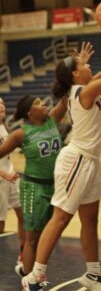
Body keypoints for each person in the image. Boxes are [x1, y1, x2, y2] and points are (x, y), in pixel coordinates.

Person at [22, 16, 101, 291]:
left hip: (89, 161)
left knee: (90, 218)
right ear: (75, 76)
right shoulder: (83, 91)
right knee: (60, 218)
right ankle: (34, 276)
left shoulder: (85, 86)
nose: (88, 65)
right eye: (83, 65)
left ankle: (93, 274)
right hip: (76, 160)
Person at [0, 94, 67, 277]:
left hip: (54, 188)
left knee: (47, 236)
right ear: (30, 112)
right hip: (33, 189)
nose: (43, 104)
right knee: (32, 240)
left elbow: (67, 98)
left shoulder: (52, 120)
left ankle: (28, 272)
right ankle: (29, 281)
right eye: (38, 103)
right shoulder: (21, 133)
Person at [0, 97, 25, 263]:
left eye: (2, 103)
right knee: (0, 225)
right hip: (2, 178)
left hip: (11, 176)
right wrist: (4, 174)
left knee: (23, 215)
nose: (1, 106)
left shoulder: (3, 127)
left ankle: (23, 254)